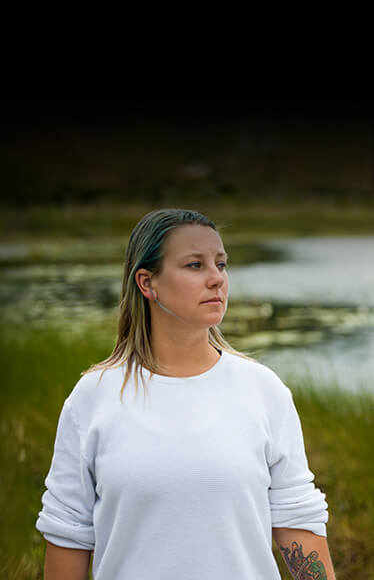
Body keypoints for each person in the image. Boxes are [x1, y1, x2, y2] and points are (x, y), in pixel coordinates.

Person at [35, 208, 336, 579]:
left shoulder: (264, 390)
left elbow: (297, 520)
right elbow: (68, 534)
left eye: (221, 265)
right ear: (147, 283)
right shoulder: (93, 397)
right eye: (195, 265)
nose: (217, 280)